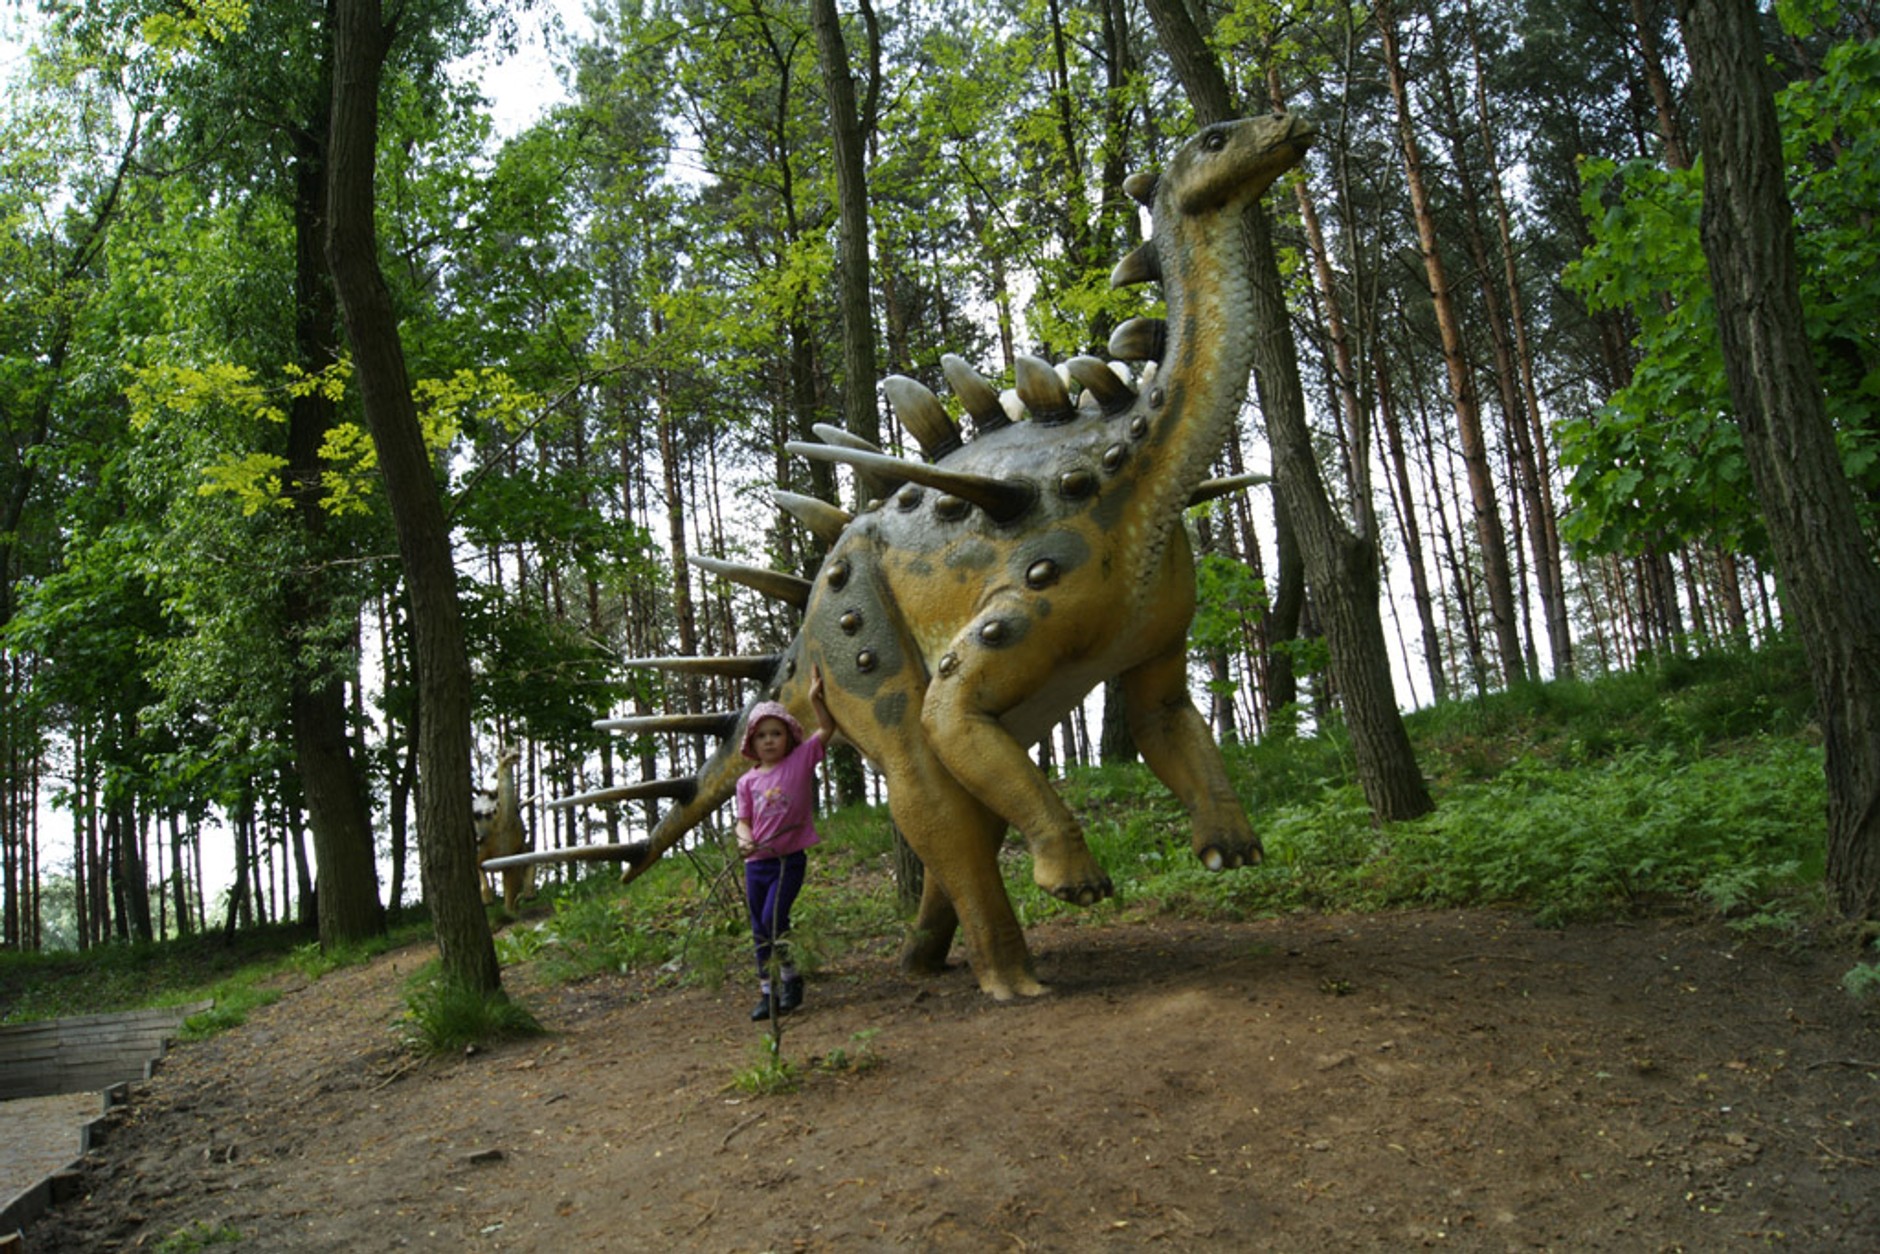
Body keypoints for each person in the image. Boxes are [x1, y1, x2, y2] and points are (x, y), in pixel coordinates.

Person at [734, 664, 836, 1021]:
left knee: (774, 918)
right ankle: (770, 991)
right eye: (762, 736)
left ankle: (791, 982)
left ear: (788, 736)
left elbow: (826, 729)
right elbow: (743, 821)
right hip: (756, 865)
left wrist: (814, 699)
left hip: (788, 861)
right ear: (752, 743)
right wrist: (745, 841)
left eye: (776, 733)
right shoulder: (746, 782)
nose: (769, 740)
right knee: (760, 929)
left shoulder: (799, 760)